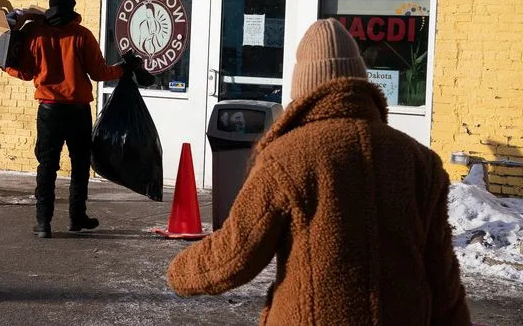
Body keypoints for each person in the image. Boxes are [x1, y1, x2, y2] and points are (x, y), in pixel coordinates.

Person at [167, 18, 471, 325]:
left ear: (303, 89)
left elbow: (234, 256)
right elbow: (443, 277)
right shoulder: (420, 161)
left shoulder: (287, 157)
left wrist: (178, 271)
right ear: (360, 82)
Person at [3, 0, 141, 238]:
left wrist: (4, 66)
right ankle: (77, 218)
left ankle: (43, 222)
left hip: (49, 110)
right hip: (78, 110)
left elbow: (24, 72)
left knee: (47, 166)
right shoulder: (82, 35)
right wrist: (123, 68)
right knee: (79, 165)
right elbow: (99, 73)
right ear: (73, 5)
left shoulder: (35, 34)